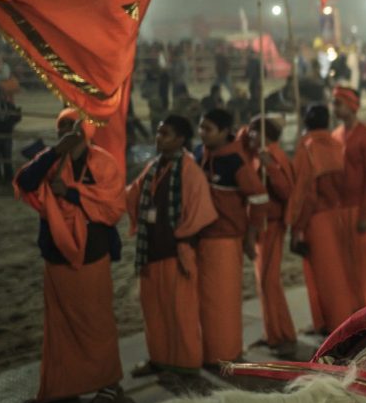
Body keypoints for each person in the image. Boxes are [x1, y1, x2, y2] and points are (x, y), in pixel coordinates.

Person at [14, 109, 125, 403]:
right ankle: (63, 387)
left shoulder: (103, 162)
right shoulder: (51, 161)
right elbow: (25, 182)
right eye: (61, 125)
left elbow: (112, 206)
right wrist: (54, 153)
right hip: (55, 251)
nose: (67, 129)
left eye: (72, 124)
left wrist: (73, 194)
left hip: (91, 252)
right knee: (59, 325)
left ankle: (109, 384)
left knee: (95, 320)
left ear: (86, 128)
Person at [126, 115, 218, 376]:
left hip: (176, 251)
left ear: (180, 139)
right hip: (151, 250)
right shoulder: (155, 166)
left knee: (181, 312)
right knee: (154, 310)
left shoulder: (189, 170)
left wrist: (182, 239)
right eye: (158, 132)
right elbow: (132, 193)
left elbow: (201, 212)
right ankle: (159, 359)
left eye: (165, 133)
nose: (158, 138)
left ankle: (187, 364)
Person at [195, 108, 268, 365]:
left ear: (225, 132)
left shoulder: (235, 161)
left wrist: (250, 235)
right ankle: (208, 353)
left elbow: (259, 198)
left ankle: (226, 354)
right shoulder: (199, 155)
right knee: (204, 302)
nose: (202, 133)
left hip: (225, 240)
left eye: (208, 129)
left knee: (223, 302)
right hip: (200, 239)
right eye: (201, 128)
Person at [289, 104, 361, 334]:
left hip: (317, 218)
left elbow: (305, 192)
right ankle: (335, 319)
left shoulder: (308, 148)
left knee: (325, 274)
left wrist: (296, 225)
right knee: (340, 269)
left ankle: (334, 323)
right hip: (337, 214)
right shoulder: (335, 144)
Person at [242, 116, 297, 358]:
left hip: (272, 225)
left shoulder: (273, 156)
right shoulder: (261, 153)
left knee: (269, 281)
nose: (250, 136)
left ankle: (283, 335)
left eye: (255, 132)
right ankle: (273, 331)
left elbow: (287, 191)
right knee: (264, 282)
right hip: (262, 226)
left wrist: (270, 168)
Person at [332, 85, 366, 306]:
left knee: (365, 263)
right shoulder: (336, 135)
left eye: (338, 104)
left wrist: (365, 214)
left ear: (351, 107)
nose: (334, 108)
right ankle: (353, 308)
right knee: (346, 263)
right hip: (340, 209)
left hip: (359, 209)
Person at [0, 84, 22, 181]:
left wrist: (18, 114)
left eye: (4, 94)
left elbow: (16, 118)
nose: (3, 96)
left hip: (7, 135)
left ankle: (8, 177)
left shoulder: (10, 105)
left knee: (7, 157)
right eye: (1, 94)